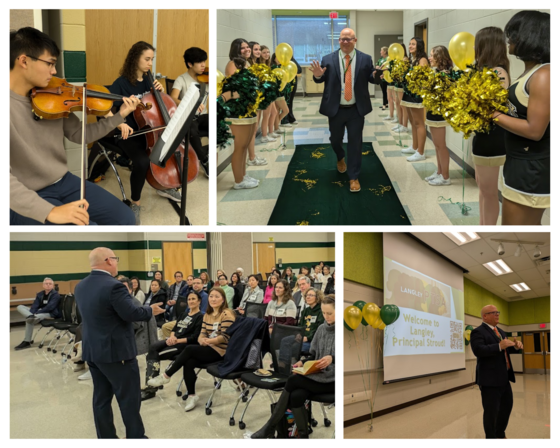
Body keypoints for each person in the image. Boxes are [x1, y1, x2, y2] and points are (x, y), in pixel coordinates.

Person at [10, 27, 136, 226]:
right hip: (27, 193)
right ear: (24, 61)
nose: (55, 71)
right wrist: (49, 211)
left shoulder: (53, 96)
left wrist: (118, 117)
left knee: (126, 218)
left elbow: (80, 134)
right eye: (50, 63)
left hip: (64, 181)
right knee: (88, 228)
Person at [75, 247, 164, 439]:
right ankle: (136, 438)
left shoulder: (81, 286)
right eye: (116, 259)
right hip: (117, 354)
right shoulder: (113, 286)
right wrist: (150, 310)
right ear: (108, 260)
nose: (117, 262)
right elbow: (131, 313)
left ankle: (106, 438)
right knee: (129, 400)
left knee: (101, 399)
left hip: (93, 351)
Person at [109, 41, 181, 224]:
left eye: (152, 59)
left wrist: (161, 93)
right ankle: (135, 202)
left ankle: (163, 185)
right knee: (141, 161)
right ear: (135, 59)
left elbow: (156, 107)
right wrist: (119, 123)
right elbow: (105, 108)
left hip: (149, 131)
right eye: (147, 59)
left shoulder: (149, 81)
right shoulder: (121, 84)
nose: (150, 64)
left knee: (166, 150)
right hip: (129, 133)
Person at [494, 11, 550, 225]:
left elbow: (535, 130)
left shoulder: (544, 75)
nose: (509, 38)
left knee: (514, 231)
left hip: (532, 168)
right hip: (519, 162)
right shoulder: (532, 72)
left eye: (514, 33)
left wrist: (493, 115)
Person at [252, 295, 335, 438]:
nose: (326, 316)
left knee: (293, 380)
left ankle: (270, 426)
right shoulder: (321, 329)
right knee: (296, 396)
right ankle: (303, 436)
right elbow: (313, 355)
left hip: (333, 380)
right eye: (323, 313)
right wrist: (303, 362)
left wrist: (333, 358)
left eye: (330, 313)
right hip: (319, 375)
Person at [148, 287, 236, 411]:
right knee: (188, 362)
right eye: (211, 296)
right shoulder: (208, 315)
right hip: (206, 347)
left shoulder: (227, 314)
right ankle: (192, 395)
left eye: (217, 296)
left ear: (223, 300)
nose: (213, 299)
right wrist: (202, 340)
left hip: (220, 351)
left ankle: (166, 376)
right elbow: (202, 334)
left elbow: (225, 337)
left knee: (189, 349)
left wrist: (208, 341)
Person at [310, 27, 375, 193]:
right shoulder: (328, 59)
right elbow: (320, 79)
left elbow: (371, 77)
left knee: (355, 142)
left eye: (348, 39)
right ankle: (340, 156)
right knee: (335, 139)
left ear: (355, 40)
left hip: (356, 109)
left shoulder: (365, 59)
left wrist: (378, 76)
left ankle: (353, 176)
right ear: (339, 40)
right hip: (336, 109)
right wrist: (317, 75)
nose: (345, 42)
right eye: (342, 39)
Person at [470, 28, 511, 224]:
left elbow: (494, 107)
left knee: (489, 192)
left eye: (477, 43)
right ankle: (482, 225)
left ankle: (489, 228)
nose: (474, 48)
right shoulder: (482, 70)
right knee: (482, 187)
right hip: (481, 135)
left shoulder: (498, 72)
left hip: (492, 138)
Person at [470, 305, 523, 438]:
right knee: (491, 413)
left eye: (497, 312)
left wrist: (515, 346)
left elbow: (504, 350)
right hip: (489, 380)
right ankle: (491, 438)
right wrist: (498, 346)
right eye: (493, 313)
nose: (497, 314)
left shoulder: (501, 331)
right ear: (485, 316)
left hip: (504, 378)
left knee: (506, 408)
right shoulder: (478, 332)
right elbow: (478, 350)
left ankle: (500, 433)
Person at [141, 291, 204, 401]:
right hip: (174, 340)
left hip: (183, 345)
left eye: (193, 299)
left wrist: (177, 340)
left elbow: (194, 338)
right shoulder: (183, 314)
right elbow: (174, 329)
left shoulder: (200, 317)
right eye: (189, 299)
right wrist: (171, 337)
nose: (191, 301)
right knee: (152, 347)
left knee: (153, 355)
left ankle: (151, 388)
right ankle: (154, 381)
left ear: (199, 301)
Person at [225, 39, 264, 190]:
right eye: (243, 48)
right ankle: (238, 181)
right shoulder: (232, 64)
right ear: (235, 50)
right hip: (238, 110)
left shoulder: (246, 64)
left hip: (249, 107)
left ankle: (243, 174)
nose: (247, 49)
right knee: (240, 146)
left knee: (246, 144)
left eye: (248, 47)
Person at [170, 47, 209, 177]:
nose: (203, 65)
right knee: (191, 131)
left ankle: (205, 153)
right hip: (189, 117)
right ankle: (204, 160)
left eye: (204, 61)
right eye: (199, 62)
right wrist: (190, 104)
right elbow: (173, 98)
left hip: (203, 116)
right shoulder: (181, 79)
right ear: (190, 64)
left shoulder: (206, 78)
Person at [424, 45, 454, 186]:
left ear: (439, 57)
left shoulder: (445, 74)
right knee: (436, 145)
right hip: (433, 112)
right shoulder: (437, 72)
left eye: (432, 55)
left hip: (439, 114)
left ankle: (446, 177)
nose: (429, 58)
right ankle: (440, 171)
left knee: (441, 146)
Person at [400, 37, 429, 162]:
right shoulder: (413, 59)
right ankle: (414, 146)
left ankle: (421, 152)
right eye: (410, 44)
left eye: (413, 44)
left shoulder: (422, 60)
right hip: (409, 93)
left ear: (419, 46)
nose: (410, 46)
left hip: (417, 95)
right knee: (413, 122)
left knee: (419, 123)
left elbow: (422, 79)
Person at [14, 278, 61, 350]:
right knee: (20, 307)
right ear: (43, 285)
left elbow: (50, 307)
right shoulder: (40, 294)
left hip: (50, 314)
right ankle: (30, 316)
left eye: (50, 284)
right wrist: (32, 312)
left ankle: (27, 341)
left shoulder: (55, 295)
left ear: (53, 286)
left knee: (30, 319)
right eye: (46, 284)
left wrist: (37, 312)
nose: (48, 285)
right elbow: (34, 306)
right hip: (37, 312)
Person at [259, 45, 279, 143]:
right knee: (266, 115)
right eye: (264, 52)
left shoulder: (268, 64)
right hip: (264, 94)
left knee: (274, 112)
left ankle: (271, 132)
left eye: (268, 52)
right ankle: (264, 135)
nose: (267, 54)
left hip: (270, 92)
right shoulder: (259, 66)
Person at [299, 288, 325, 352]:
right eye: (307, 295)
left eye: (310, 295)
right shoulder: (305, 311)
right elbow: (300, 326)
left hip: (313, 341)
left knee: (295, 347)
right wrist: (298, 335)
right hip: (302, 338)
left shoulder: (321, 311)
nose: (308, 297)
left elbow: (319, 329)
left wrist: (308, 338)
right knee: (285, 340)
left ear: (317, 297)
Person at [281, 54, 302, 126]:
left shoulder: (292, 60)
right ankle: (284, 120)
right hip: (285, 84)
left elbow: (299, 70)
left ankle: (291, 118)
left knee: (290, 101)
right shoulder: (281, 61)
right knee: (285, 101)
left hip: (293, 84)